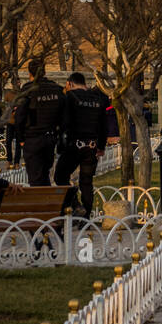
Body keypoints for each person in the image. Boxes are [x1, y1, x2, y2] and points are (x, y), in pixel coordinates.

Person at [54, 72, 109, 216]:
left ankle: (76, 205)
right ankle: (86, 217)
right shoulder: (98, 99)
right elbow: (104, 126)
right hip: (92, 146)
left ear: (70, 84)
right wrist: (101, 146)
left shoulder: (70, 98)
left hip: (74, 145)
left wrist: (61, 143)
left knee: (60, 176)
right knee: (86, 182)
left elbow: (65, 123)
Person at [14, 59, 64, 185]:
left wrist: (20, 138)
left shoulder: (28, 90)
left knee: (35, 177)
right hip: (50, 136)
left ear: (29, 72)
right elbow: (64, 115)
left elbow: (19, 116)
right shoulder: (57, 89)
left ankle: (41, 202)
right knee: (44, 173)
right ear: (44, 71)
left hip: (33, 137)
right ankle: (46, 201)